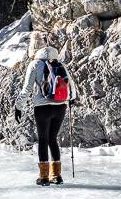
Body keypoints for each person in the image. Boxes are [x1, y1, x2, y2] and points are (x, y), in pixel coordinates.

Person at [14, 31, 76, 186]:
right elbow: (71, 84)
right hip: (60, 107)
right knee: (53, 139)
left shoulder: (34, 64)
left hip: (42, 108)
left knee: (43, 140)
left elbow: (27, 90)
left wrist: (18, 106)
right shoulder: (59, 63)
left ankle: (43, 178)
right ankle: (57, 176)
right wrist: (72, 99)